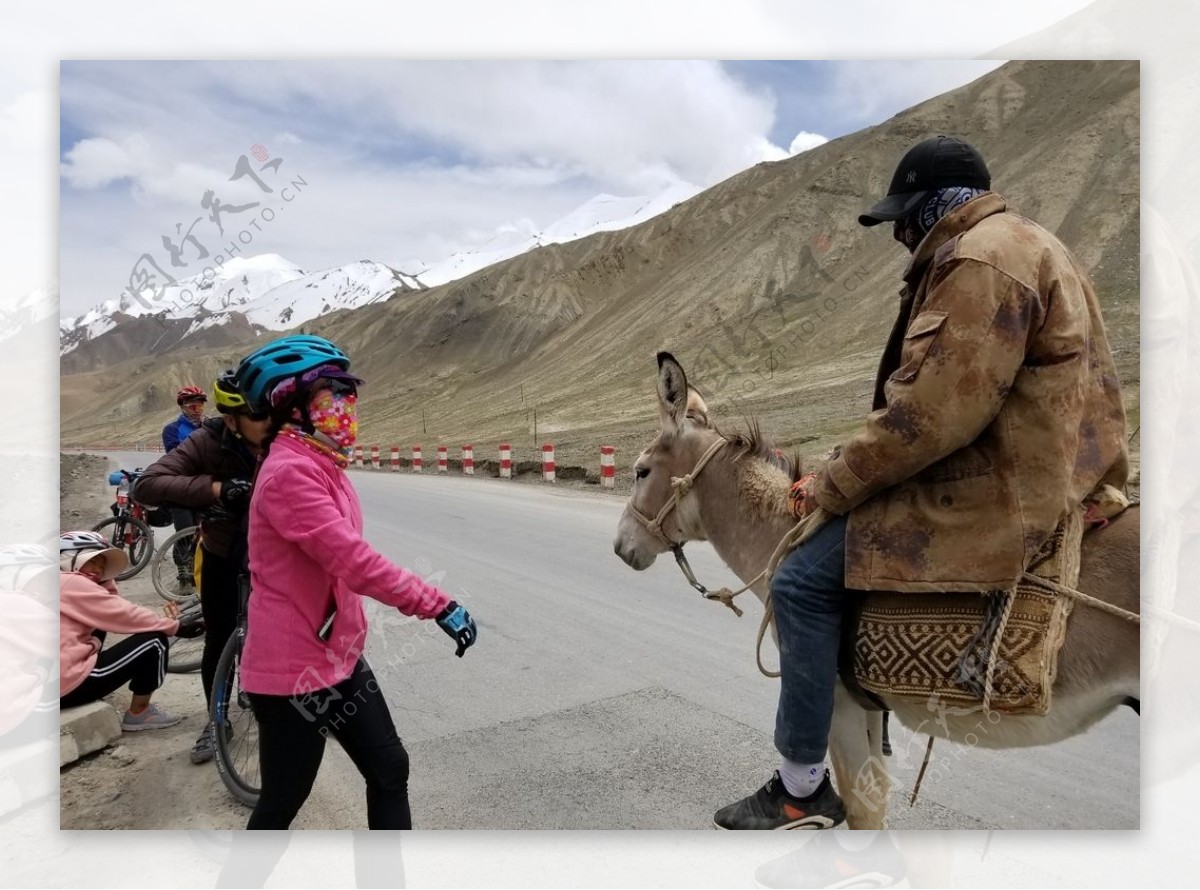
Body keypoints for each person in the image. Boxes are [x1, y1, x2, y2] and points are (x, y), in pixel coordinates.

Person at [714, 135, 1129, 829]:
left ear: (936, 206)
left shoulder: (977, 260)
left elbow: (931, 416)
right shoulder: (1036, 243)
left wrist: (831, 484)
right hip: (1052, 473)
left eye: (906, 217)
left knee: (797, 582)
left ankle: (800, 785)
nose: (901, 234)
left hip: (989, 488)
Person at [233, 334, 478, 829]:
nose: (345, 406)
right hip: (292, 675)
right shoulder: (289, 476)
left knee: (390, 769)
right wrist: (437, 604)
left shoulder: (322, 465)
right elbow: (355, 561)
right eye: (331, 395)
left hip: (337, 656)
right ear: (293, 406)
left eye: (348, 393)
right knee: (283, 800)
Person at [133, 371, 268, 764]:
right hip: (223, 551)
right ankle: (217, 719)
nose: (271, 422)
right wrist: (215, 490)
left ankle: (297, 704)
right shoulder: (206, 439)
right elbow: (148, 484)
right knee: (220, 637)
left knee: (286, 632)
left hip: (272, 554)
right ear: (230, 420)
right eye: (258, 415)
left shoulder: (283, 437)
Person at [59, 531, 204, 729]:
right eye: (91, 561)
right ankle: (140, 712)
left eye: (103, 566)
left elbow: (110, 605)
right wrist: (175, 627)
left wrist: (104, 581)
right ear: (68, 558)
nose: (98, 569)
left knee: (101, 628)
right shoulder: (72, 583)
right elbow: (122, 613)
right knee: (154, 642)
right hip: (65, 687)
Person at [162, 385, 209, 586]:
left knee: (206, 529)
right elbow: (177, 455)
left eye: (199, 404)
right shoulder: (172, 430)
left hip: (204, 486)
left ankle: (202, 569)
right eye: (191, 405)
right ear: (182, 406)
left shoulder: (210, 426)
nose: (196, 409)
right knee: (184, 531)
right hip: (180, 486)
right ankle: (183, 571)